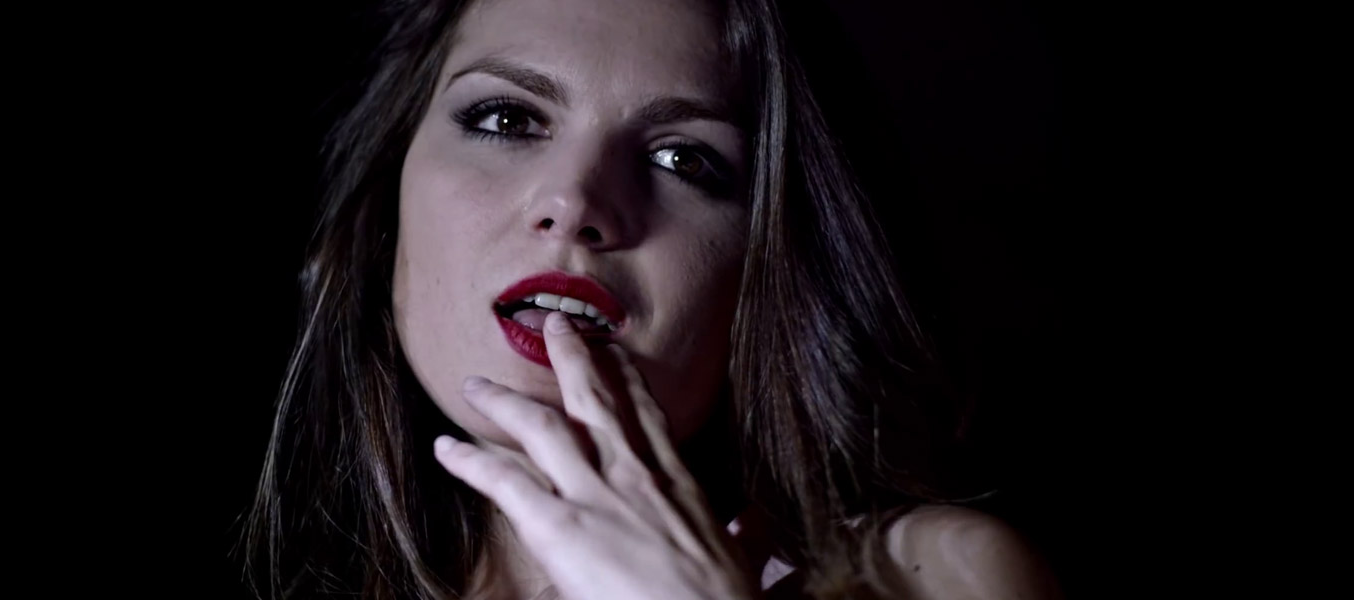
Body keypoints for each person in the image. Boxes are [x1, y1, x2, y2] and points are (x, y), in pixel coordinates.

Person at [241, 0, 1061, 597]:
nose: (576, 202)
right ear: (390, 191)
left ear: (766, 258)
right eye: (506, 118)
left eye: (682, 161)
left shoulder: (937, 577)